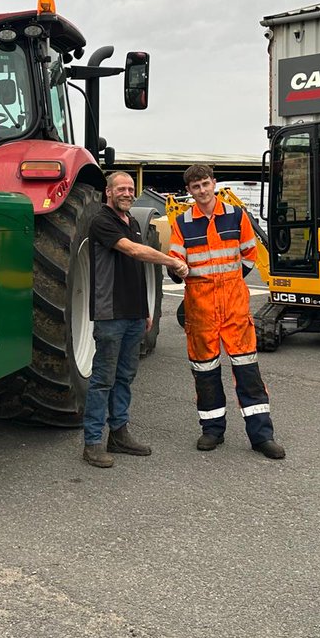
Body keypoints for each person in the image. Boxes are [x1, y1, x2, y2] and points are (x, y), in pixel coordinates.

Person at [170, 164, 285, 460]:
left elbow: (249, 254)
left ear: (214, 184)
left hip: (233, 308)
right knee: (205, 373)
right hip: (201, 310)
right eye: (196, 187)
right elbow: (175, 260)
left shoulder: (236, 216)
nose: (202, 190)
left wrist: (231, 283)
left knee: (248, 371)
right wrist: (179, 269)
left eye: (206, 184)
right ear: (189, 191)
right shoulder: (182, 222)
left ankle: (262, 436)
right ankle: (212, 430)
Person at [83, 171, 189, 468]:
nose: (127, 193)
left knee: (125, 377)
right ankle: (92, 443)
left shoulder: (133, 224)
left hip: (132, 314)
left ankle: (118, 433)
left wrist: (145, 311)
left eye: (131, 189)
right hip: (110, 314)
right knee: (103, 379)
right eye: (121, 189)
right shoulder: (102, 221)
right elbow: (131, 251)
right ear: (108, 192)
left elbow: (136, 271)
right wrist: (171, 260)